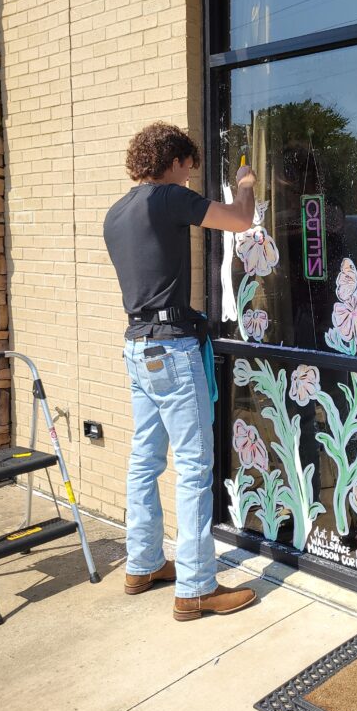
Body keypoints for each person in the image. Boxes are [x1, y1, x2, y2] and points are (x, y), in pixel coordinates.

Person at [103, 122, 258, 621]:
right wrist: (247, 183)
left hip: (138, 347)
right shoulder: (167, 197)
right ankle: (195, 588)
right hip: (171, 350)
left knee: (144, 461)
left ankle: (143, 564)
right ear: (172, 163)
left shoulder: (116, 212)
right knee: (194, 467)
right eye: (189, 168)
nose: (190, 178)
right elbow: (239, 220)